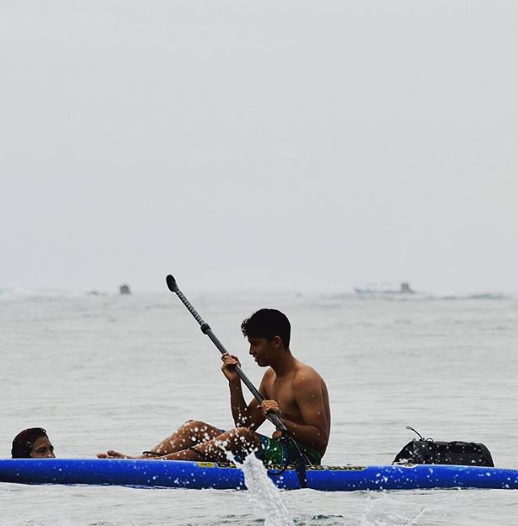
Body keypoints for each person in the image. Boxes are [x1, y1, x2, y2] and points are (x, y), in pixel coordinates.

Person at [98, 308, 331, 466]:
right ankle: (144, 459)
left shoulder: (304, 379)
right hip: (278, 448)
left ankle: (153, 466)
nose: (251, 352)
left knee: (241, 437)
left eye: (256, 344)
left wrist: (282, 421)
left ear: (276, 342)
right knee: (194, 427)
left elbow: (319, 439)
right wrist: (235, 384)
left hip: (302, 458)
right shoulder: (269, 377)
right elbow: (245, 424)